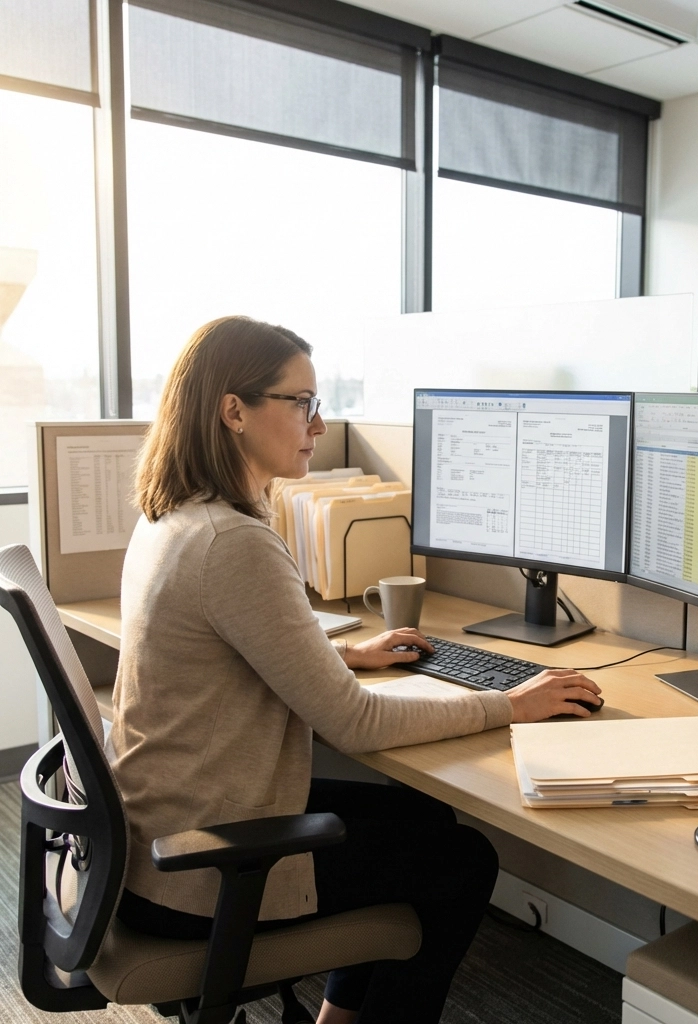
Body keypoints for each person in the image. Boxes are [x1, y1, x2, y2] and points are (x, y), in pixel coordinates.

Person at [106, 315, 602, 1024]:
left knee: (424, 814)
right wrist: (511, 704)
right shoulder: (233, 542)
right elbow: (354, 721)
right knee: (462, 866)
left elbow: (227, 651)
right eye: (301, 401)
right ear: (233, 411)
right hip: (205, 870)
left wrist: (343, 653)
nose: (317, 420)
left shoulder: (176, 517)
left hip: (167, 836)